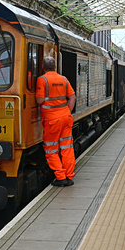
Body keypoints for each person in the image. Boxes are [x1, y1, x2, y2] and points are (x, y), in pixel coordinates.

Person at [36, 57, 77, 186]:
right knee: (67, 147)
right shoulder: (63, 79)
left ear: (43, 67)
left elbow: (39, 101)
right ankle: (69, 176)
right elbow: (72, 97)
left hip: (52, 120)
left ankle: (60, 177)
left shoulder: (42, 80)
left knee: (51, 149)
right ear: (55, 67)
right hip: (66, 117)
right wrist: (67, 112)